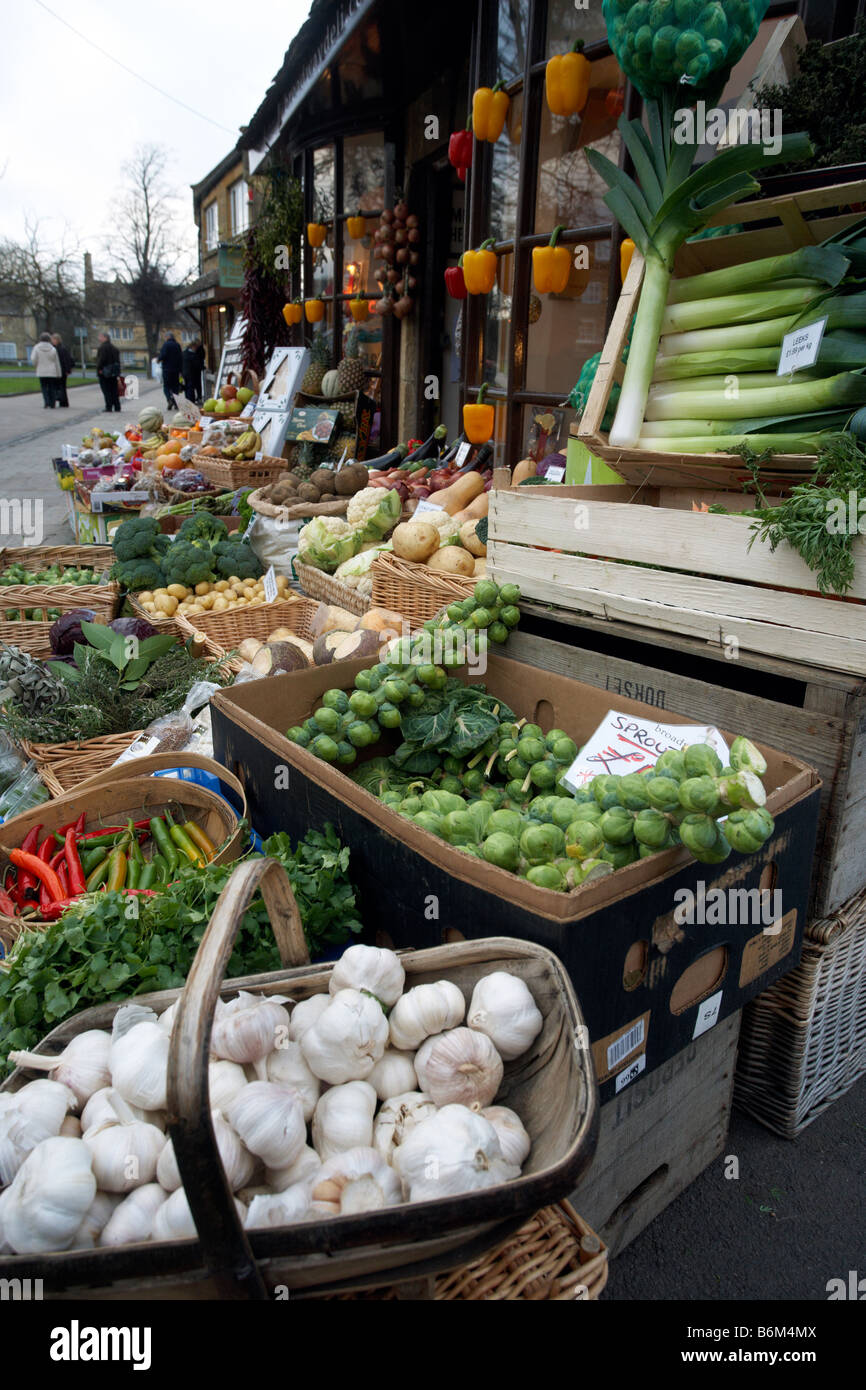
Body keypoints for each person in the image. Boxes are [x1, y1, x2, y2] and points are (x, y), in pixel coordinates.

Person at [30, 332, 61, 408]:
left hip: (41, 371)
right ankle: (52, 403)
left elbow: (33, 359)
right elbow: (56, 362)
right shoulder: (53, 349)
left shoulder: (36, 348)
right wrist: (58, 373)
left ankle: (46, 402)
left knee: (44, 387)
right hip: (51, 371)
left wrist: (36, 365)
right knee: (52, 388)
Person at [96, 332, 121, 412]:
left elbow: (101, 359)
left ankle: (109, 406)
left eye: (100, 337)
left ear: (105, 338)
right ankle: (117, 406)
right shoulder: (114, 348)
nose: (99, 338)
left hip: (105, 371)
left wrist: (99, 369)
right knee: (114, 389)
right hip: (114, 372)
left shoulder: (103, 348)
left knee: (106, 390)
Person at [157, 333, 183, 409]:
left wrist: (159, 359)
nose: (165, 338)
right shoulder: (177, 345)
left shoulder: (166, 345)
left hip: (167, 370)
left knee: (166, 386)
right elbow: (180, 358)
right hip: (176, 370)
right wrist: (181, 371)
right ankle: (175, 402)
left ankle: (169, 399)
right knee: (175, 387)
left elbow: (163, 355)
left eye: (165, 337)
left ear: (168, 337)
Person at [51, 334, 74, 407]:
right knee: (61, 387)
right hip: (59, 370)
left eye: (53, 340)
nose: (52, 341)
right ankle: (63, 401)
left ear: (57, 340)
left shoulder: (61, 349)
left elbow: (66, 360)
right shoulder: (57, 348)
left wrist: (67, 370)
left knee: (61, 386)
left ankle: (63, 401)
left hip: (62, 370)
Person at [182, 337, 205, 403]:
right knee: (191, 388)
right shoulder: (193, 355)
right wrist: (202, 367)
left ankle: (188, 400)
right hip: (192, 374)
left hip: (185, 373)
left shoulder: (184, 353)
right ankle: (191, 401)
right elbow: (197, 365)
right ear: (193, 347)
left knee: (187, 387)